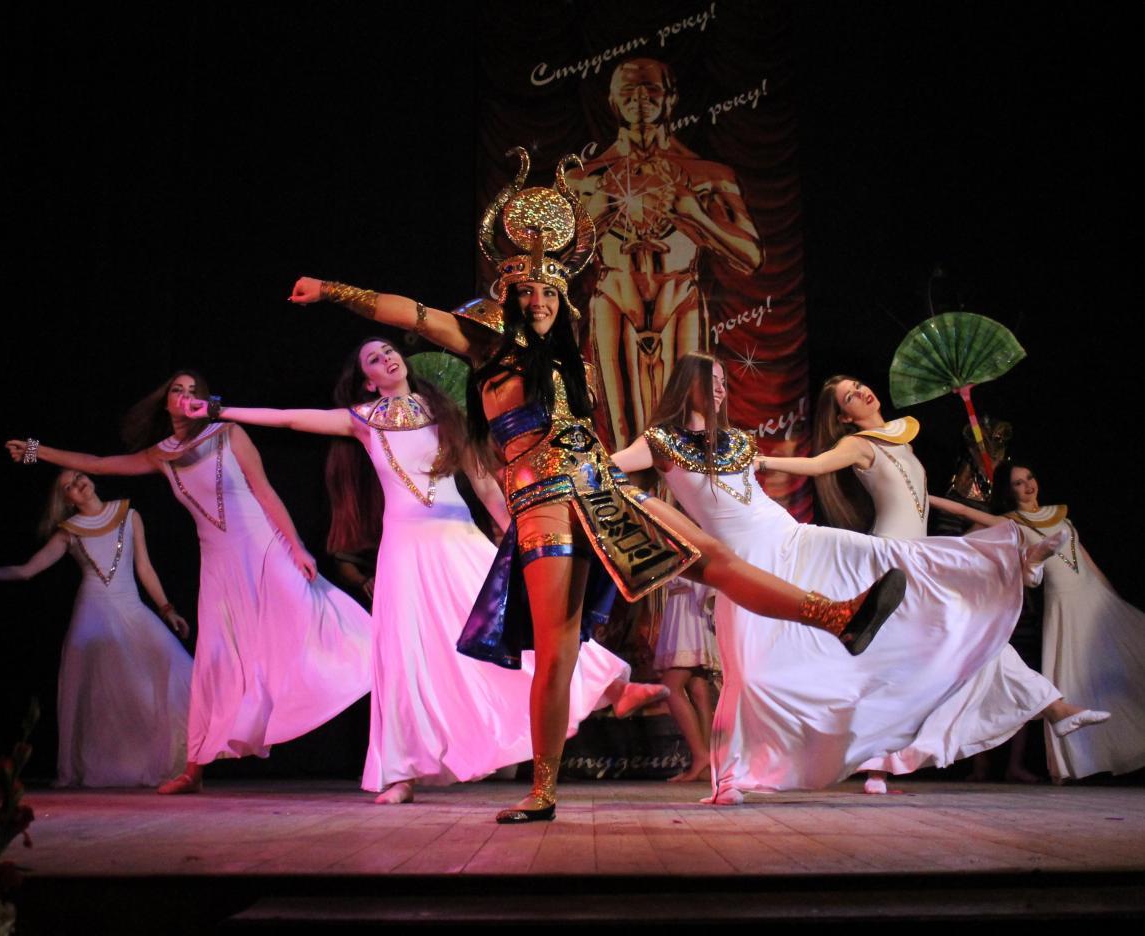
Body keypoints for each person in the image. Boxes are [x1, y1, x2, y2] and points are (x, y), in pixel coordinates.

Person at [288, 148, 906, 822]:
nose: (540, 302)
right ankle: (543, 791)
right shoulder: (488, 347)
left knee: (715, 561)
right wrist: (331, 290)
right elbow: (410, 313)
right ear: (508, 299)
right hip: (544, 507)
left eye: (551, 294)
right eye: (529, 293)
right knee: (557, 651)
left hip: (603, 492)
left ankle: (839, 617)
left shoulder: (568, 366)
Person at [182, 337, 668, 804]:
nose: (386, 358)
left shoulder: (444, 412)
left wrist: (514, 533)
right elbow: (290, 419)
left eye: (389, 351)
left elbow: (485, 483)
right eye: (374, 359)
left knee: (516, 622)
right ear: (368, 380)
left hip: (457, 538)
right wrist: (221, 411)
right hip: (404, 551)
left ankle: (615, 687)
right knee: (405, 660)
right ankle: (400, 774)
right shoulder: (364, 419)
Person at [5, 370, 374, 794]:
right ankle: (194, 770)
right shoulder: (161, 454)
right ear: (166, 403)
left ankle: (382, 661)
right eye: (177, 390)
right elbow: (98, 463)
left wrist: (297, 546)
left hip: (263, 545)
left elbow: (265, 492)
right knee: (214, 659)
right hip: (218, 562)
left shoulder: (229, 433)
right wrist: (35, 451)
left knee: (310, 614)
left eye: (193, 390)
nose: (185, 396)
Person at [757, 374, 1109, 792]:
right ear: (844, 416)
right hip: (895, 560)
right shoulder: (859, 444)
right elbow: (817, 465)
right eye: (849, 396)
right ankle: (1052, 699)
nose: (862, 392)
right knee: (955, 641)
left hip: (918, 557)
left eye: (859, 385)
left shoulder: (901, 441)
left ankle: (1050, 708)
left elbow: (919, 500)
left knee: (946, 648)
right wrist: (763, 462)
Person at [569, 58, 765, 452]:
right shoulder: (584, 178)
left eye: (651, 89)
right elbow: (556, 263)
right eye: (629, 91)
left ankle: (686, 493)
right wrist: (597, 215)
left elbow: (751, 255)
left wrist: (696, 215)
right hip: (615, 298)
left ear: (671, 98)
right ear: (612, 101)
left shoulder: (708, 173)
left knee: (687, 426)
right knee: (624, 433)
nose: (640, 99)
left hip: (680, 297)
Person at [0, 471, 192, 787]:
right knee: (99, 691)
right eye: (69, 486)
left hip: (130, 607)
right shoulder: (69, 532)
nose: (78, 484)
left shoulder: (129, 514)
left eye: (79, 477)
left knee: (167, 668)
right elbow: (27, 571)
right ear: (67, 500)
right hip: (93, 611)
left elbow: (144, 568)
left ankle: (153, 758)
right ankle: (111, 764)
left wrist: (167, 609)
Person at [940, 462, 1145, 781]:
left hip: (1094, 596)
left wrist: (1112, 597)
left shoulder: (1062, 517)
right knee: (1074, 677)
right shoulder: (1012, 522)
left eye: (1030, 478)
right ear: (1010, 492)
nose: (1027, 486)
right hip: (1063, 604)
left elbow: (1086, 562)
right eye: (1018, 483)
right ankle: (1077, 760)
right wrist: (926, 498)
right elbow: (967, 518)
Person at [652, 576, 719, 783]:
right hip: (688, 608)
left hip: (687, 612)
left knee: (671, 687)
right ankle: (706, 765)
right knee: (698, 689)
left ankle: (700, 755)